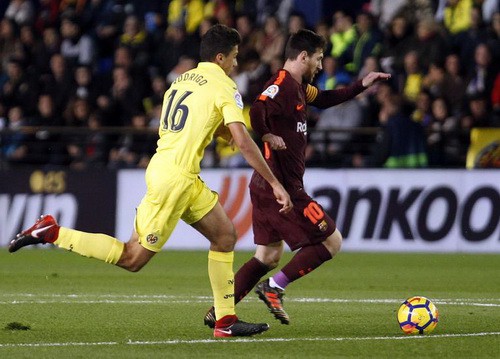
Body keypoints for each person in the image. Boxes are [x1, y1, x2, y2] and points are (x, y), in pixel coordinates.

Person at [8, 24, 293, 338]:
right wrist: (274, 182)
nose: (236, 64)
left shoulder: (180, 80)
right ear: (221, 57)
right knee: (133, 258)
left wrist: (238, 135)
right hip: (176, 179)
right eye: (235, 58)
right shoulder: (224, 87)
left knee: (225, 236)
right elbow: (239, 139)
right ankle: (53, 232)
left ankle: (225, 321)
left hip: (175, 172)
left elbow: (215, 128)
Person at [203, 29, 390, 327]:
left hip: (265, 185)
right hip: (283, 187)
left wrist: (361, 85)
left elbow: (327, 99)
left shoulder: (300, 87)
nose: (319, 65)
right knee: (332, 241)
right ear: (303, 56)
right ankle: (275, 287)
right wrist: (265, 133)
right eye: (318, 59)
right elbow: (260, 107)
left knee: (267, 255)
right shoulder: (282, 84)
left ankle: (220, 310)